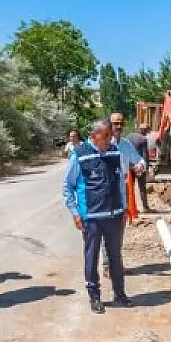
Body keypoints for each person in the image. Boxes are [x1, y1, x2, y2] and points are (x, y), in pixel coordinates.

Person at [63, 119, 134, 314]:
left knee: (115, 256)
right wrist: (75, 213)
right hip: (91, 217)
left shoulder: (114, 152)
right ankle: (94, 296)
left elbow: (121, 181)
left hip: (114, 215)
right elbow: (67, 187)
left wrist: (124, 206)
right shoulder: (79, 155)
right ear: (93, 137)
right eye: (106, 137)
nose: (110, 140)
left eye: (111, 136)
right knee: (91, 257)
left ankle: (120, 294)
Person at [101, 112, 145, 273]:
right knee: (107, 228)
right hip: (106, 192)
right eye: (115, 123)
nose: (118, 126)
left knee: (119, 228)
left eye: (121, 123)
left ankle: (115, 263)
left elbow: (139, 159)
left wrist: (140, 165)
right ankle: (108, 265)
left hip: (123, 192)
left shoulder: (126, 144)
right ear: (109, 124)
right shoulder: (103, 143)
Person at [127, 122, 153, 212]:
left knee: (130, 187)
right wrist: (147, 168)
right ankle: (145, 207)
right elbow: (145, 155)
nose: (147, 134)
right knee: (142, 186)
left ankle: (130, 208)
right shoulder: (143, 139)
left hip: (129, 165)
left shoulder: (128, 136)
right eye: (147, 131)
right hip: (139, 166)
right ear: (144, 131)